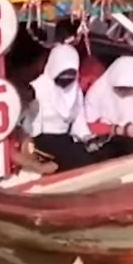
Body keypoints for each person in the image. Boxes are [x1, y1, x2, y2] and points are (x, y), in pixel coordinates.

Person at [20, 44, 108, 172]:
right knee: (79, 160)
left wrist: (87, 138)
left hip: (65, 137)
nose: (67, 79)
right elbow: (25, 119)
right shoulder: (37, 88)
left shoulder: (75, 90)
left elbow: (78, 118)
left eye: (71, 74)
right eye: (62, 73)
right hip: (40, 138)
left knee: (98, 156)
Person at [84, 55, 133, 157]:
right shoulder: (96, 92)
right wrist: (118, 130)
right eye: (120, 88)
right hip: (110, 138)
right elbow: (89, 125)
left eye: (129, 89)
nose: (124, 93)